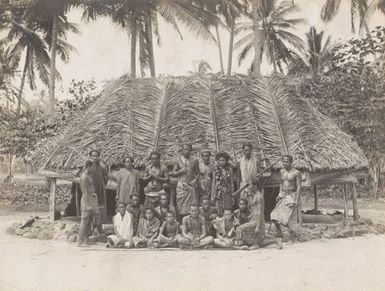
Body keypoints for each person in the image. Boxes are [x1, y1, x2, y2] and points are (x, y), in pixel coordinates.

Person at [234, 177, 282, 250]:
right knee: (259, 241)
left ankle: (248, 244)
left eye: (250, 185)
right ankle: (275, 241)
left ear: (255, 186)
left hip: (257, 220)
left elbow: (260, 211)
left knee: (240, 228)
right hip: (252, 218)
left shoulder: (259, 196)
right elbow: (244, 203)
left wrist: (258, 226)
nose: (249, 187)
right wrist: (247, 194)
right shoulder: (251, 195)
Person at [270, 155, 301, 242]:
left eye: (286, 161)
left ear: (291, 162)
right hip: (283, 194)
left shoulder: (296, 173)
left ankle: (292, 237)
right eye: (283, 161)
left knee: (291, 218)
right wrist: (279, 194)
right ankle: (279, 232)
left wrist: (297, 199)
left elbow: (299, 186)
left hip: (292, 195)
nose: (285, 163)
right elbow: (281, 183)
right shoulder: (281, 171)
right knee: (274, 215)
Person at [169, 144, 198, 219]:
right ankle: (181, 222)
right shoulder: (178, 161)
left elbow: (198, 173)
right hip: (181, 186)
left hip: (190, 186)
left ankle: (190, 223)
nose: (186, 151)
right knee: (180, 206)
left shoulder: (194, 161)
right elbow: (172, 173)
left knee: (191, 206)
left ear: (191, 150)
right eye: (185, 149)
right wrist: (180, 172)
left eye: (188, 149)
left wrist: (195, 180)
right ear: (182, 150)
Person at [77, 161, 100, 246]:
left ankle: (86, 240)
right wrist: (88, 204)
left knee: (89, 221)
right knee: (84, 221)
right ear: (88, 166)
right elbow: (85, 191)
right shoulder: (84, 177)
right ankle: (79, 240)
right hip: (87, 200)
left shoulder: (89, 176)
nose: (93, 169)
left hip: (91, 198)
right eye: (92, 167)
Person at [87, 150, 109, 222]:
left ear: (99, 156)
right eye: (93, 156)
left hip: (100, 189)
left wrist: (102, 184)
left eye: (96, 156)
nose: (94, 157)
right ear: (90, 156)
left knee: (100, 205)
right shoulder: (88, 166)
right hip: (90, 189)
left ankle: (100, 223)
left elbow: (106, 177)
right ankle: (91, 222)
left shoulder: (102, 166)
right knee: (90, 205)